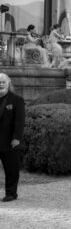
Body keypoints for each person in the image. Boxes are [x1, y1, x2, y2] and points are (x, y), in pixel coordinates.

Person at [0, 73, 25, 202]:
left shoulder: (17, 100)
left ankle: (11, 193)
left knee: (11, 169)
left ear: (8, 83)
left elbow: (19, 121)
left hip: (10, 141)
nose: (1, 84)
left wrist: (17, 138)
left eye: (3, 82)